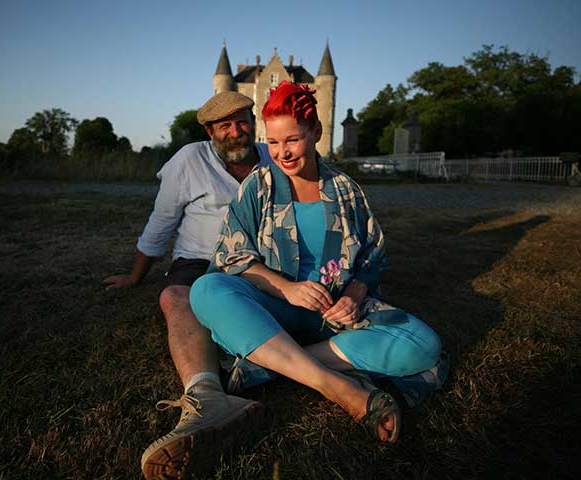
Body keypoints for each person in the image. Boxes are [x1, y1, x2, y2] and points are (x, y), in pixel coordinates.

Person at [189, 81, 443, 443]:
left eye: (292, 140)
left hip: (334, 314)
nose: (282, 153)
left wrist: (355, 294)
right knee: (206, 289)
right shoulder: (256, 186)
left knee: (423, 344)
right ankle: (334, 384)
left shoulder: (346, 190)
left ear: (316, 132)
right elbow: (232, 255)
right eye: (273, 143)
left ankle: (275, 363)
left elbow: (373, 255)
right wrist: (287, 289)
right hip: (274, 308)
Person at [104, 91, 271, 479]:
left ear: (253, 120)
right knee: (175, 296)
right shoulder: (189, 160)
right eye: (224, 125)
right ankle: (208, 396)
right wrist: (135, 276)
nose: (236, 131)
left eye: (242, 120)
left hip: (259, 263)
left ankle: (263, 365)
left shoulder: (272, 158)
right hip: (199, 261)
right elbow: (161, 223)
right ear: (211, 131)